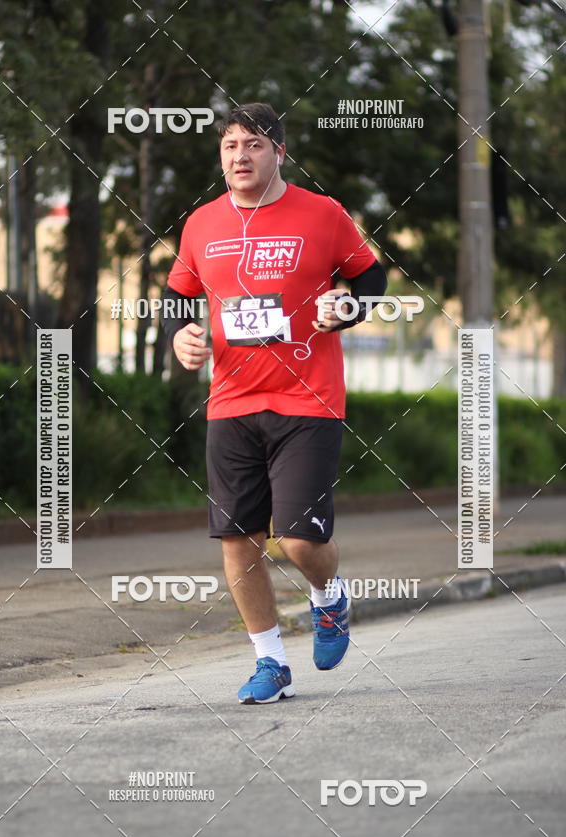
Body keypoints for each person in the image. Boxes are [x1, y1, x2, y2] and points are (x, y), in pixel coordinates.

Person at [162, 102, 386, 704]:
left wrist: (349, 307)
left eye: (254, 144)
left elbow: (370, 278)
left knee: (299, 540)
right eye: (231, 145)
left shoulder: (322, 213)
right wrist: (181, 335)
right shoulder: (201, 225)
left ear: (278, 152)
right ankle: (270, 662)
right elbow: (180, 296)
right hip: (231, 401)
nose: (241, 155)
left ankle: (328, 598)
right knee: (238, 540)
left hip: (308, 399)